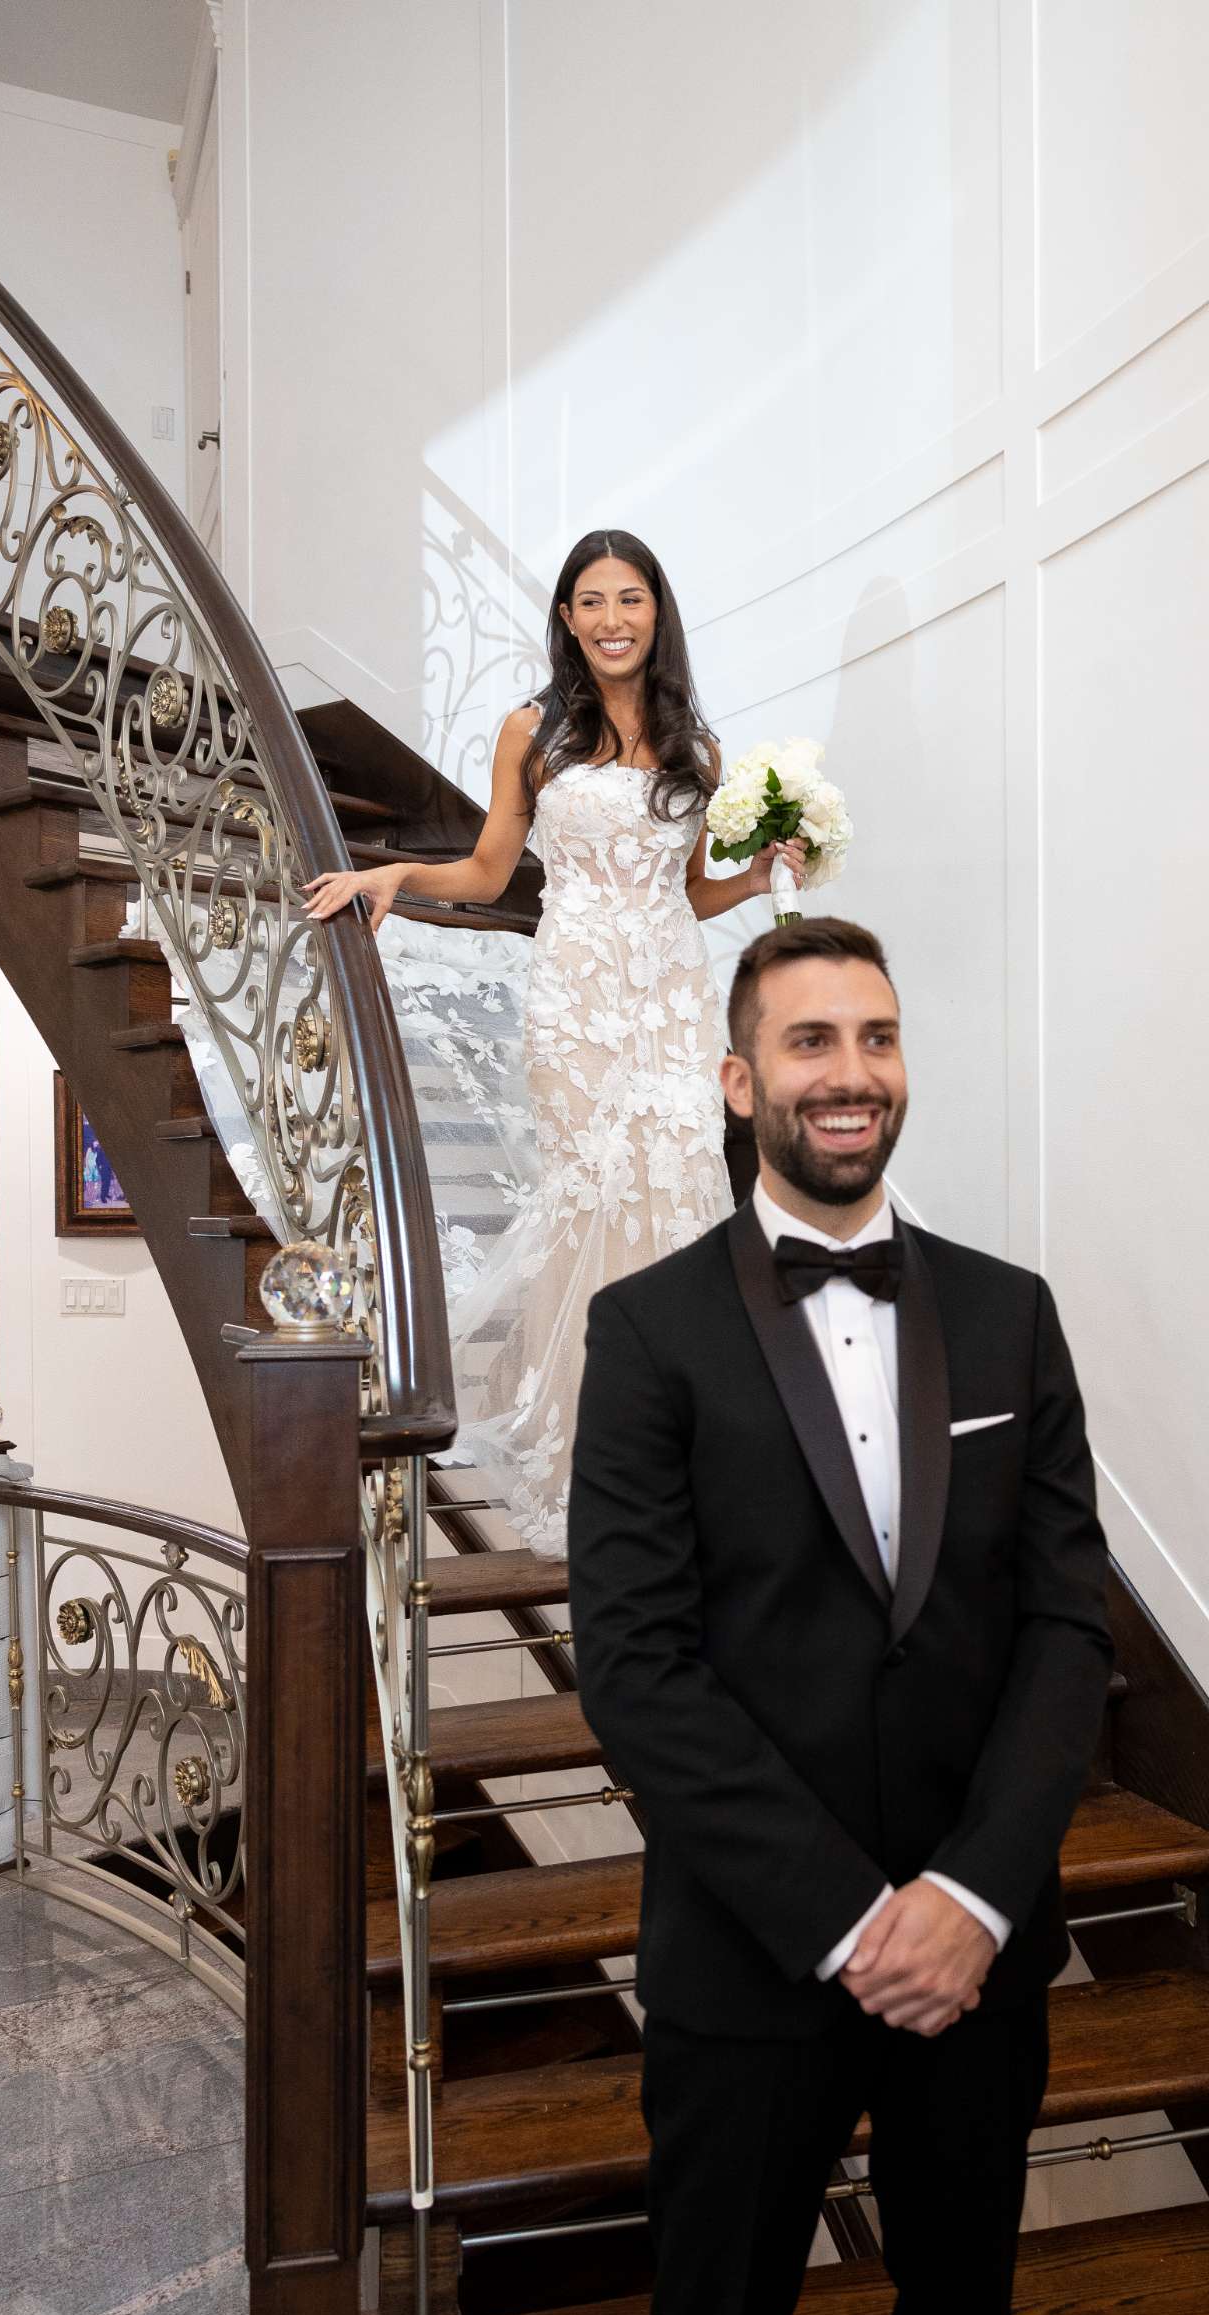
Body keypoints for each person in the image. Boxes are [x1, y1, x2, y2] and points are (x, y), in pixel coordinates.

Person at [568, 919, 1114, 2315]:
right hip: (755, 1954)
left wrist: (971, 1897)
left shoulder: (1012, 1312)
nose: (850, 1072)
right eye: (809, 1041)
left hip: (975, 1959)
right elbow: (636, 1667)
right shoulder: (646, 1331)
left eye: (875, 1036)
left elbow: (1063, 1629)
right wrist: (852, 1920)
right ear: (740, 1082)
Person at [304, 528, 802, 1553]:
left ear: (655, 612)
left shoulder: (698, 748)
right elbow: (490, 872)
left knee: (681, 1202)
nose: (613, 619)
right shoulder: (531, 731)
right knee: (596, 1204)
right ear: (568, 619)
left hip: (671, 1001)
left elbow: (685, 889)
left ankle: (675, 1462)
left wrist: (756, 879)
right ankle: (587, 1467)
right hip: (575, 1001)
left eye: (630, 599)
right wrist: (397, 873)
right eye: (592, 601)